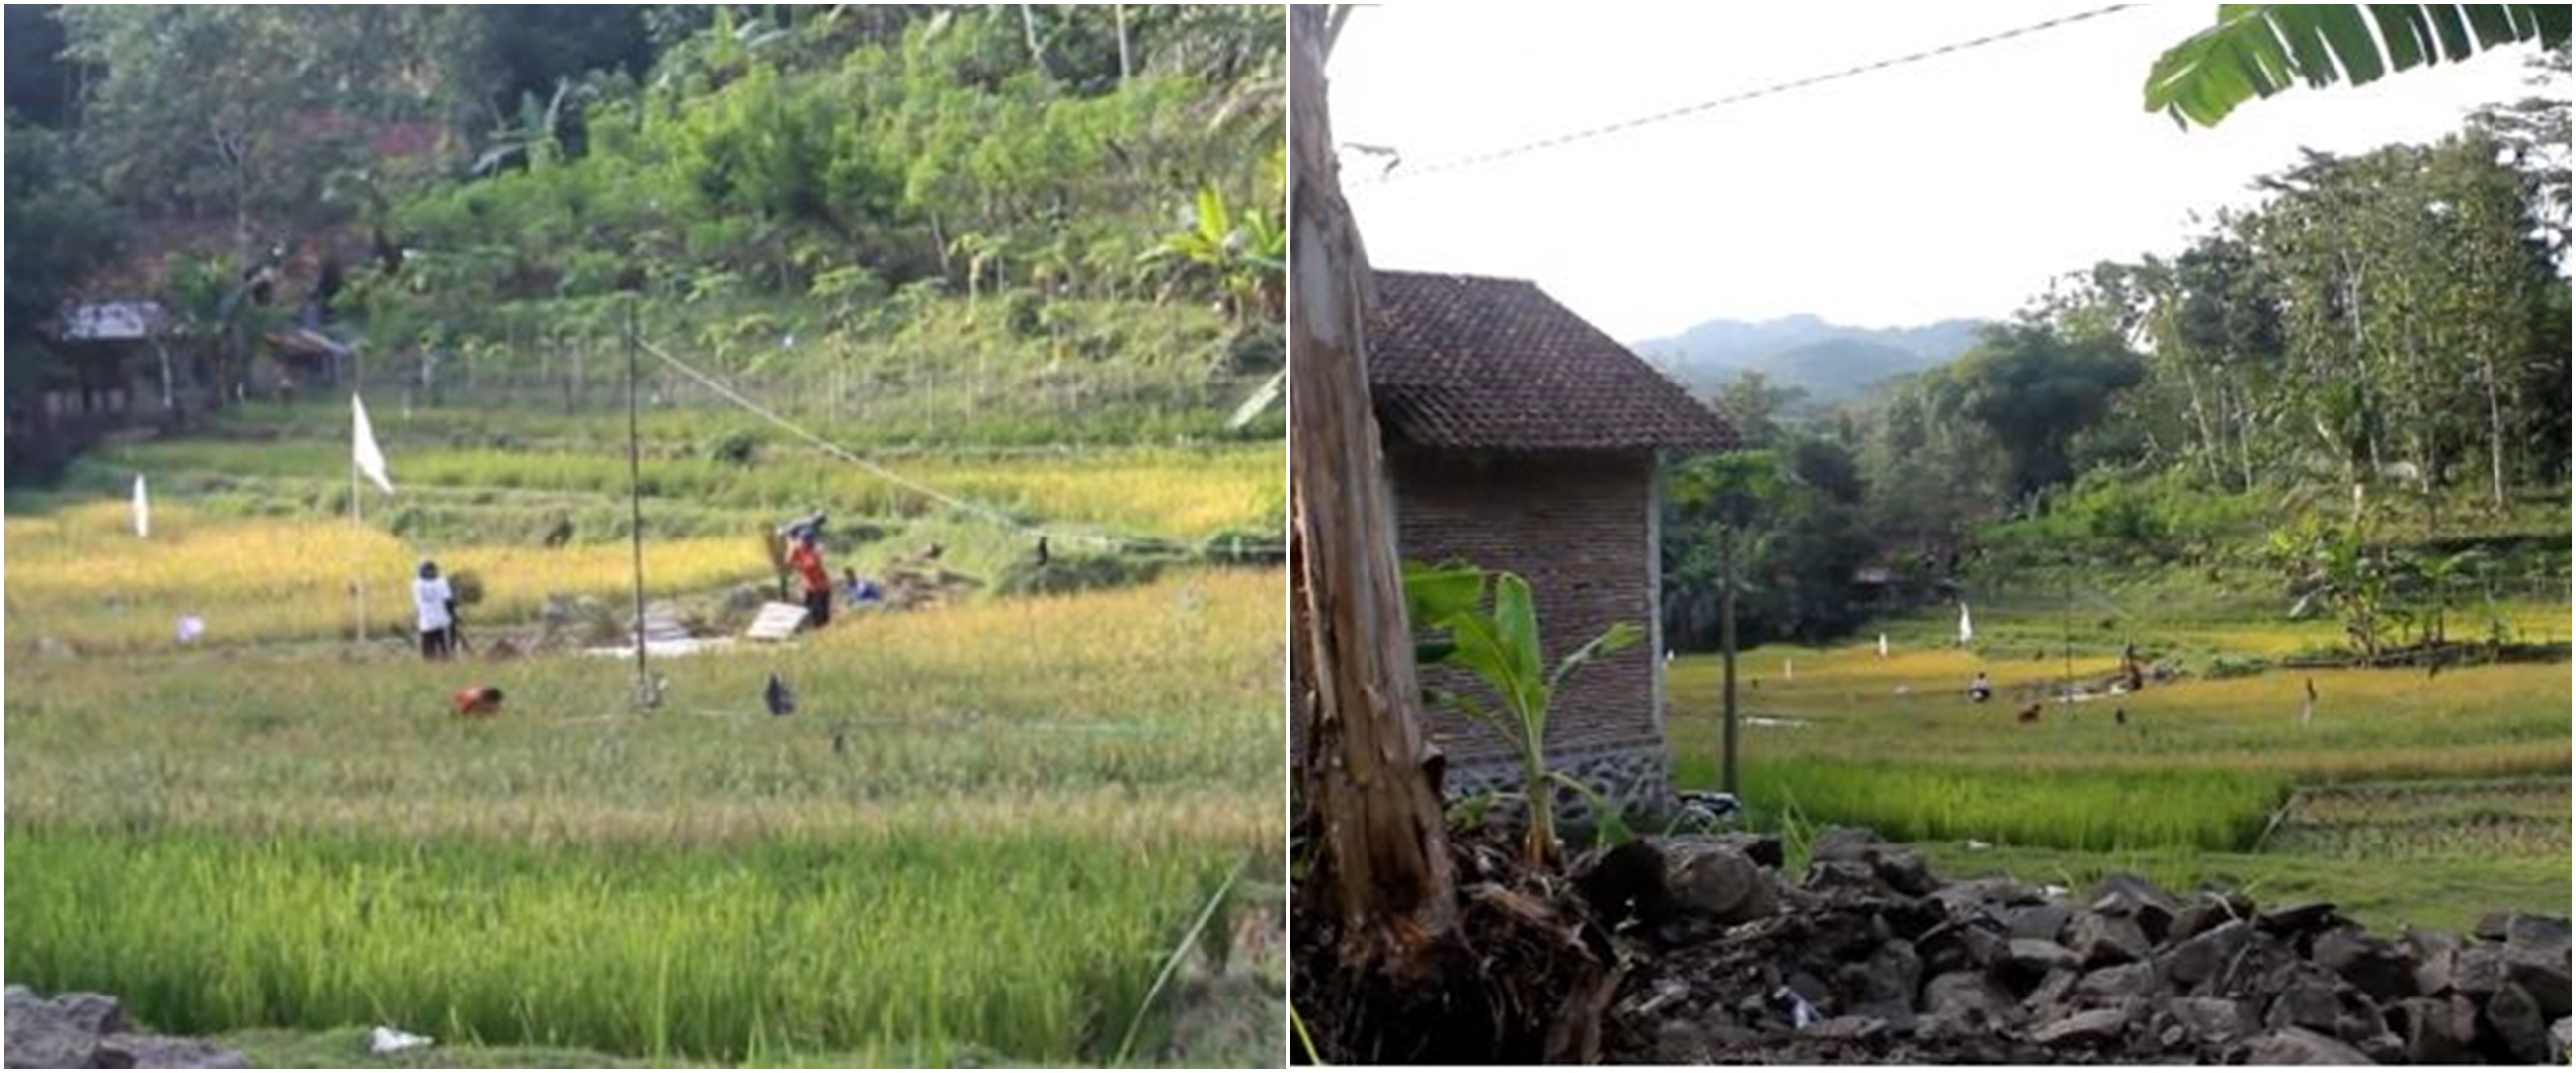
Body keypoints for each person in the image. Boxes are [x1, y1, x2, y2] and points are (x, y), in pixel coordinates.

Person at [787, 529, 832, 629]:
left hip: (821, 586)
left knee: (821, 612)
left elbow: (813, 565)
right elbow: (789, 562)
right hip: (809, 585)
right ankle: (810, 628)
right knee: (807, 607)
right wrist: (792, 549)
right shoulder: (798, 548)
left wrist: (801, 567)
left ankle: (822, 630)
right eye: (803, 541)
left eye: (807, 542)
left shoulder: (817, 550)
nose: (805, 544)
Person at [414, 560, 456, 661]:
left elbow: (419, 604)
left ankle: (431, 669)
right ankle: (446, 664)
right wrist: (453, 616)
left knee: (428, 651)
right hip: (442, 621)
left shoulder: (417, 584)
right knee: (445, 650)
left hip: (427, 623)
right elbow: (448, 601)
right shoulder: (441, 583)